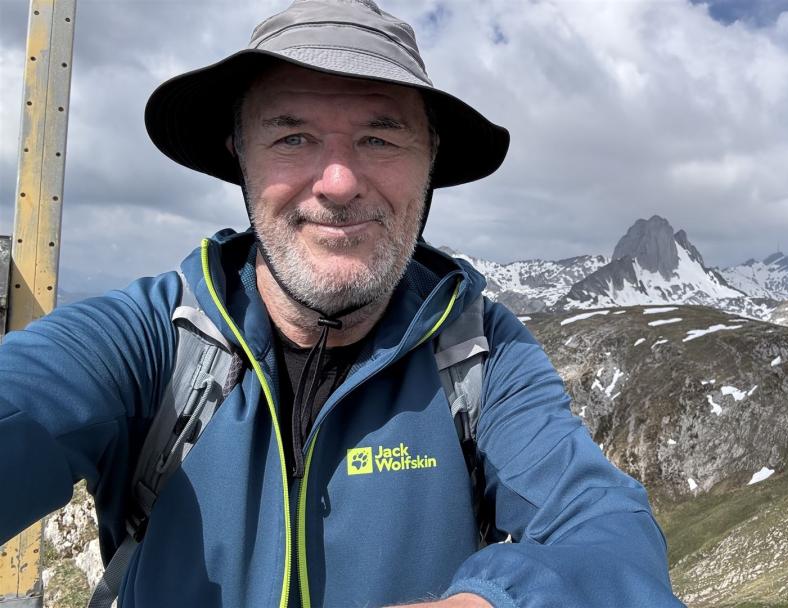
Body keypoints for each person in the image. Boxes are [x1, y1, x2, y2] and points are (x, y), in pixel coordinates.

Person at [0, 1, 682, 607]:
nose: (338, 181)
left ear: (430, 161)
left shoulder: (482, 353)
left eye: (379, 138)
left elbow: (610, 536)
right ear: (241, 156)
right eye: (291, 136)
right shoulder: (152, 338)